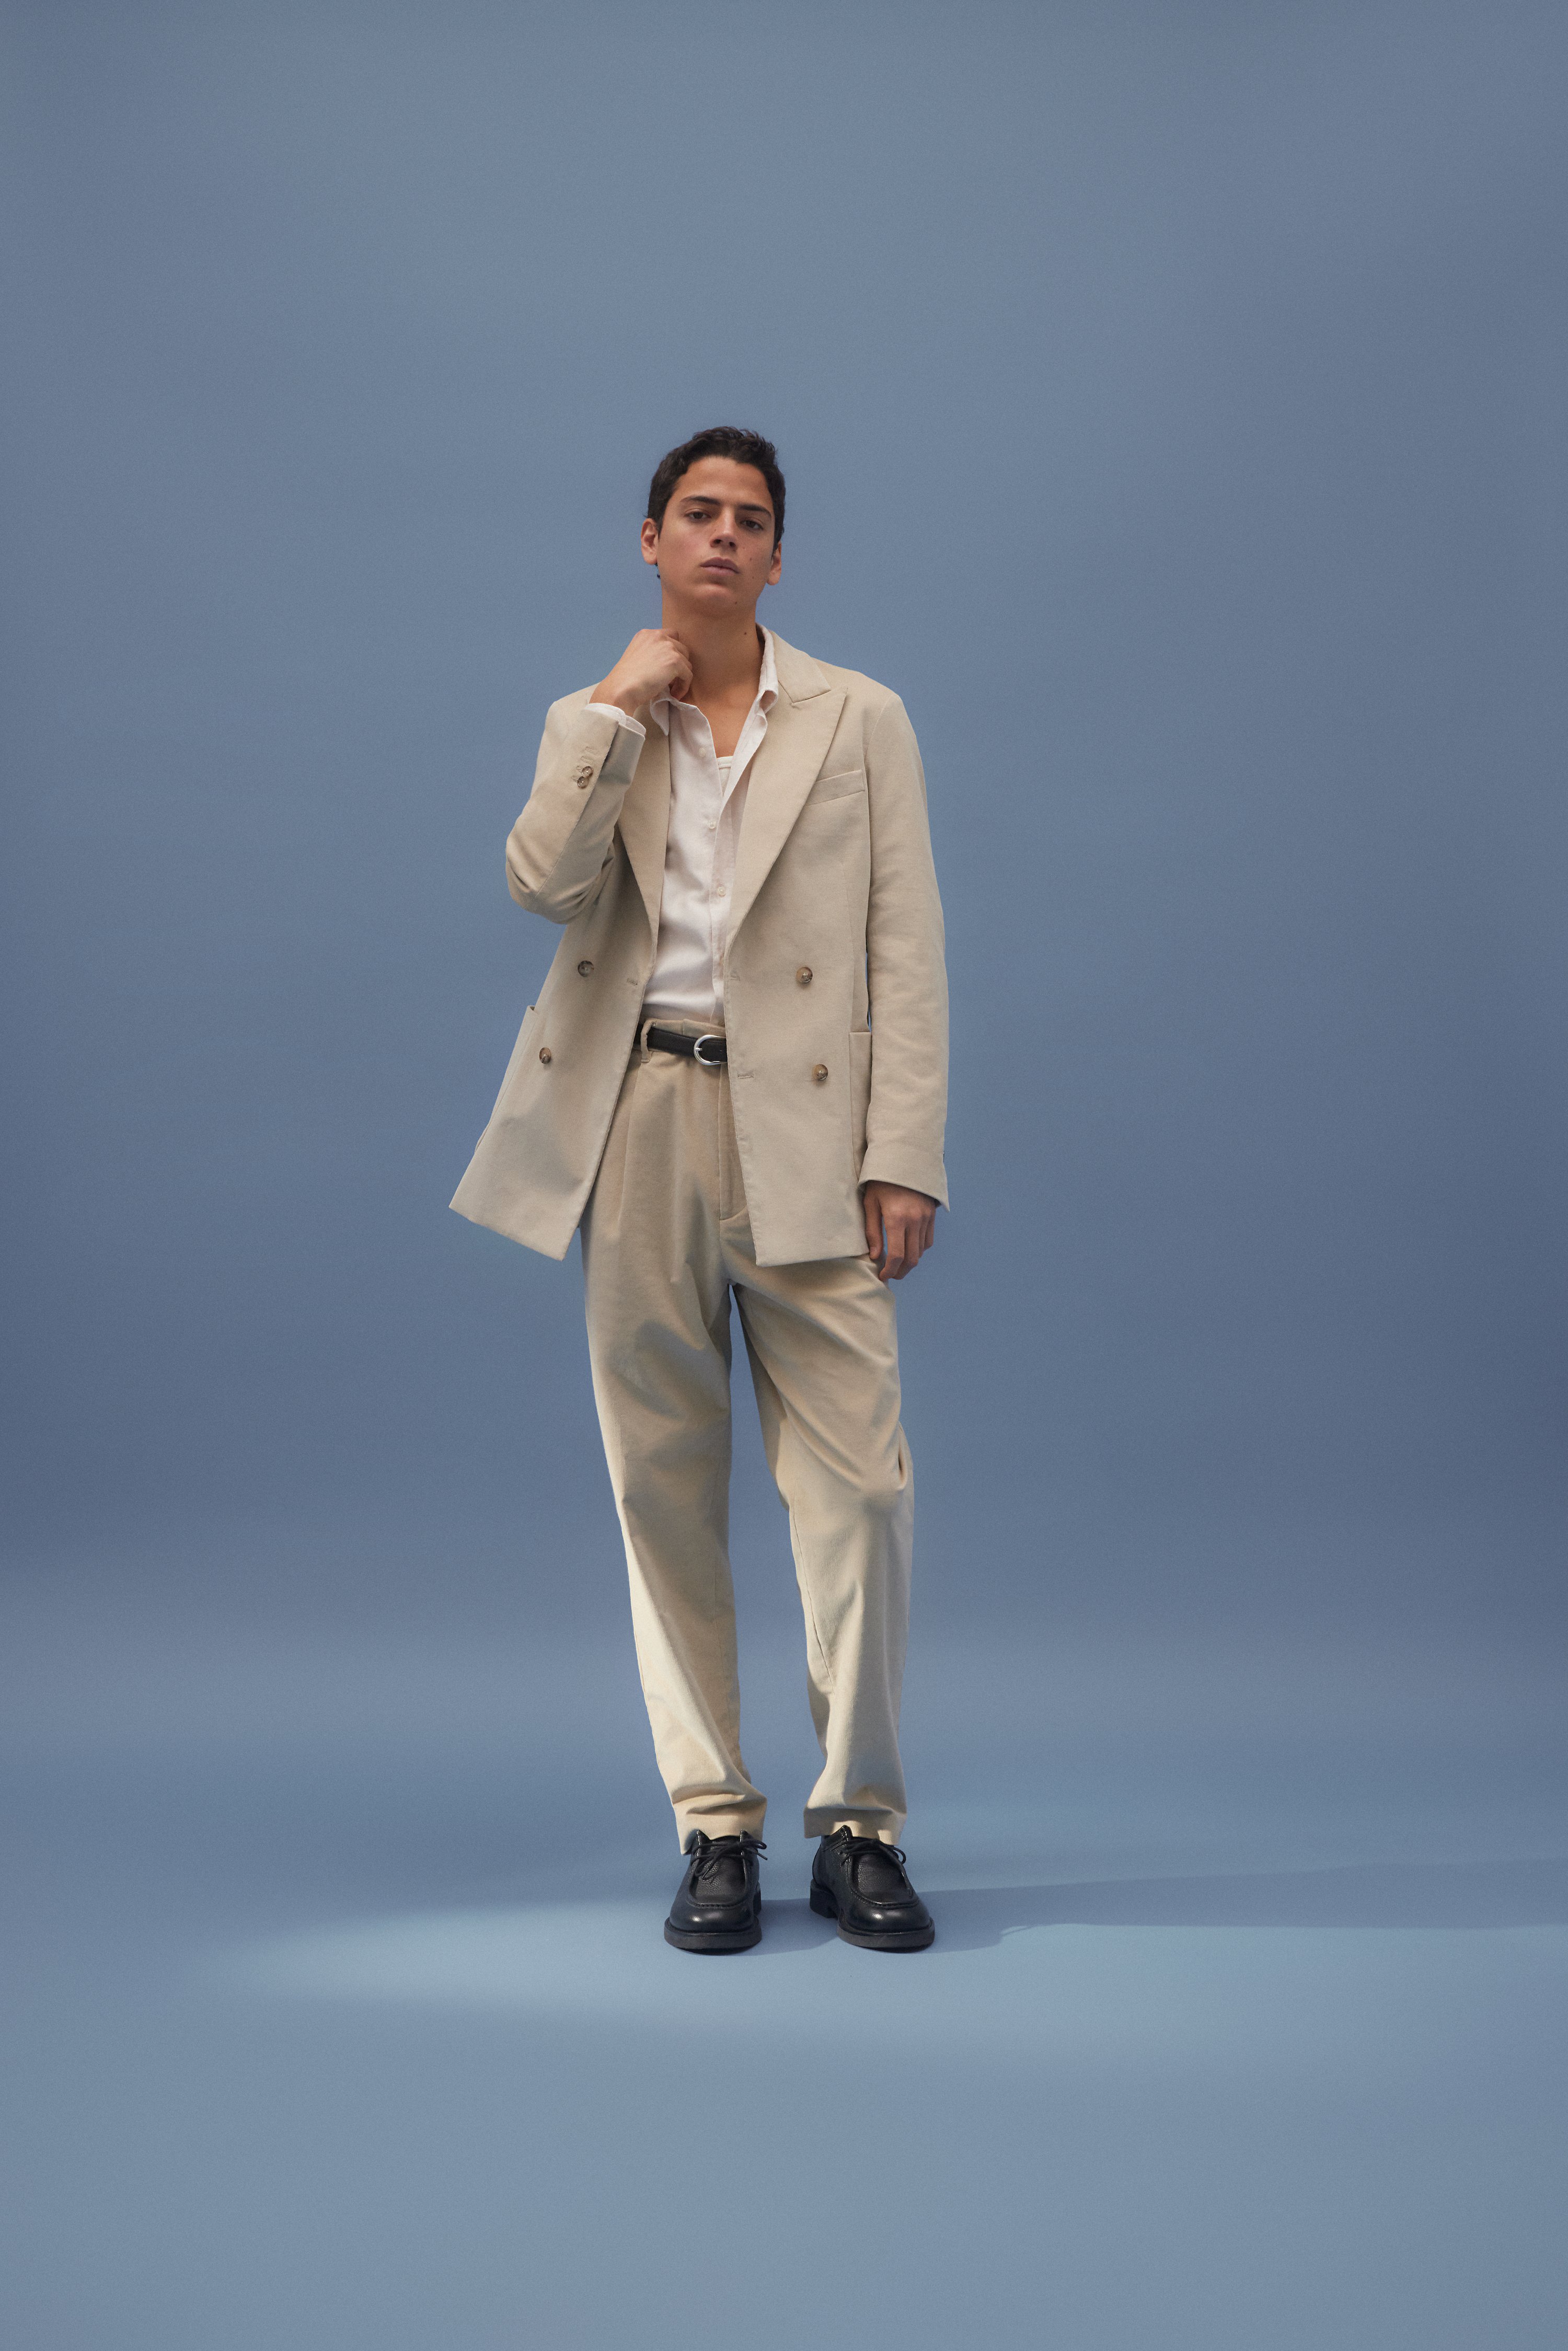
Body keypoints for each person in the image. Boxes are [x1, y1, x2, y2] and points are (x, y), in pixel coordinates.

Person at [453, 426, 948, 1953]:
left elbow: (906, 945)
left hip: (810, 1131)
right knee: (660, 1487)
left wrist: (902, 1152)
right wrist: (614, 711)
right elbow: (539, 881)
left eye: (750, 519)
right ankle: (715, 1825)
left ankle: (859, 1825)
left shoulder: (861, 716)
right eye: (697, 513)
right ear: (652, 540)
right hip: (639, 1117)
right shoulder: (599, 719)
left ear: (779, 557)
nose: (723, 535)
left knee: (859, 1490)